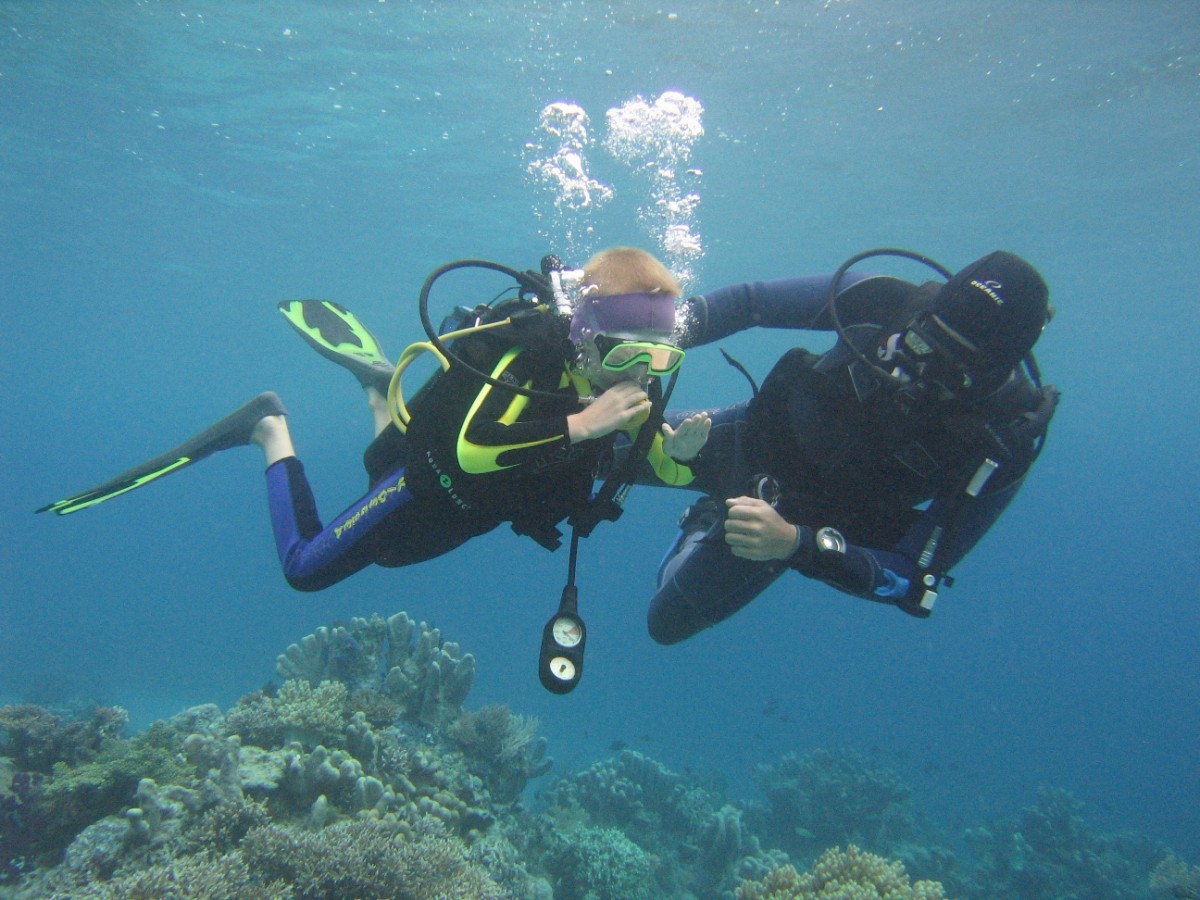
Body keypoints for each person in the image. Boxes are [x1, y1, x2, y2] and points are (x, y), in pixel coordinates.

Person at [39, 248, 708, 593]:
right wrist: (583, 426)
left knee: (390, 553)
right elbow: (473, 450)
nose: (640, 373)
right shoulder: (528, 369)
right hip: (427, 484)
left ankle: (384, 390)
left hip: (465, 509)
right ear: (587, 334)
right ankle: (267, 427)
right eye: (626, 352)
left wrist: (677, 452)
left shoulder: (620, 386)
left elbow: (649, 460)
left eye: (658, 355)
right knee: (306, 569)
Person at [643, 249, 1060, 644]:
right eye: (925, 342)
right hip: (741, 438)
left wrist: (796, 544)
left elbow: (912, 578)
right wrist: (643, 344)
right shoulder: (885, 301)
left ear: (991, 377)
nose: (922, 370)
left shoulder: (1005, 439)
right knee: (584, 441)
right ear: (925, 315)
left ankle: (705, 520)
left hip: (788, 526)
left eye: (954, 371)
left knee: (667, 622)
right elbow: (749, 302)